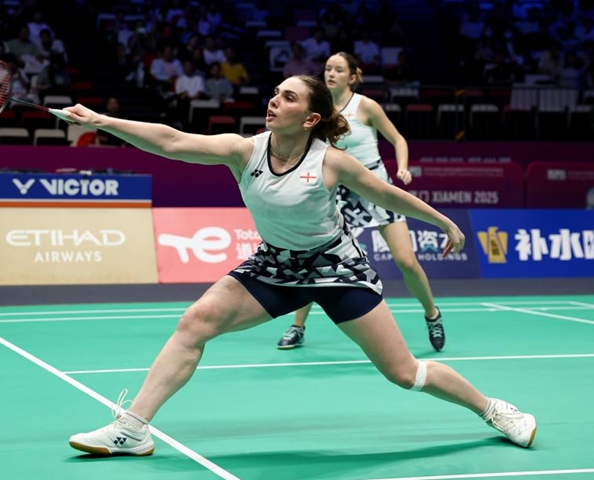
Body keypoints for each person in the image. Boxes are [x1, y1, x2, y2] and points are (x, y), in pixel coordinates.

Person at [61, 75, 537, 457]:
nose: (273, 101)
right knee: (194, 323)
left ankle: (494, 410)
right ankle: (132, 429)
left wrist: (444, 222)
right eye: (274, 93)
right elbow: (171, 141)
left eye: (286, 97)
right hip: (277, 266)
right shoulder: (244, 150)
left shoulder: (331, 162)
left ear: (309, 117)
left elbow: (388, 195)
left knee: (403, 372)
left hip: (337, 269)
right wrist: (100, 119)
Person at [277, 52, 446, 352]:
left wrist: (402, 167)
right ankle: (297, 326)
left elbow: (398, 139)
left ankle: (432, 314)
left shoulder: (365, 106)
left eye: (338, 70)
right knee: (317, 259)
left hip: (376, 186)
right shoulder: (320, 109)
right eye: (328, 68)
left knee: (406, 260)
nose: (330, 74)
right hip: (340, 189)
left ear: (352, 76)